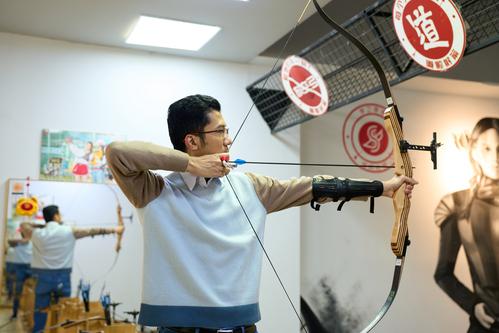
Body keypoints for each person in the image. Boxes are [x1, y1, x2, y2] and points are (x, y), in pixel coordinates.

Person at [106, 94, 418, 333]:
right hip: (178, 327)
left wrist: (384, 187)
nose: (229, 139)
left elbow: (316, 186)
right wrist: (192, 165)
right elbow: (117, 153)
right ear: (192, 141)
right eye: (220, 132)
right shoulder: (154, 190)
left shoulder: (250, 187)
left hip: (242, 325)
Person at [435, 117, 499, 333]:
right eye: (487, 148)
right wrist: (473, 305)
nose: (495, 157)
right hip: (487, 324)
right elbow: (443, 273)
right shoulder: (457, 205)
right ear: (473, 149)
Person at [20, 205, 125, 333]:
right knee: (65, 314)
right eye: (59, 215)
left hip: (43, 278)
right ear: (55, 216)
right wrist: (115, 230)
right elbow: (91, 231)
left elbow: (24, 224)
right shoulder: (69, 231)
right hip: (63, 279)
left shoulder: (36, 233)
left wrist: (46, 225)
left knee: (40, 312)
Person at [7, 235, 32, 319]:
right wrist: (25, 239)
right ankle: (14, 313)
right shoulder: (17, 243)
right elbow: (9, 241)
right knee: (18, 291)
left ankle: (30, 315)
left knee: (33, 292)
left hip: (32, 268)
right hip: (20, 268)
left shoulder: (34, 243)